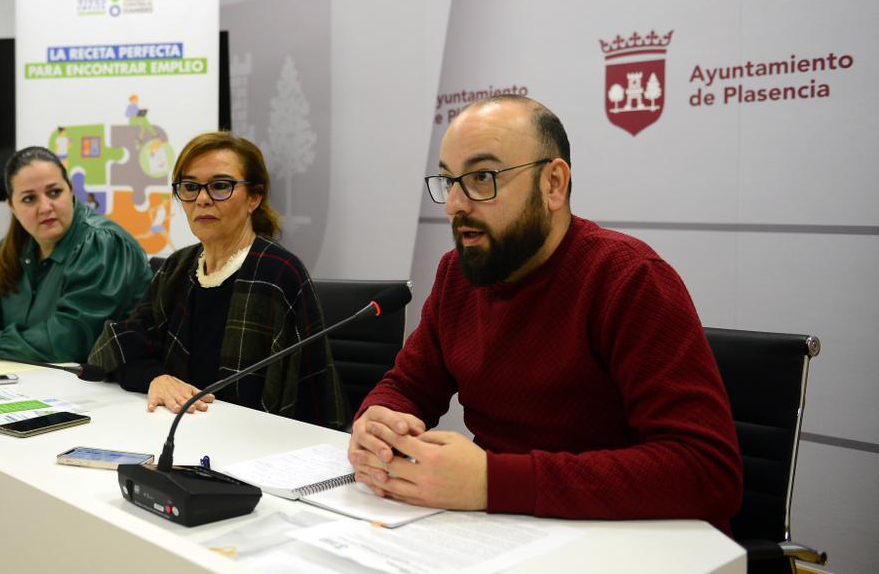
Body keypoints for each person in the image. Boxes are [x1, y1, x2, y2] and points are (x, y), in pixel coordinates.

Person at [348, 95, 743, 533]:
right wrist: (379, 422)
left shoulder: (629, 278)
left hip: (623, 541)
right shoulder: (457, 276)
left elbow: (707, 470)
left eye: (481, 178)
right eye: (448, 181)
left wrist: (490, 481)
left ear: (553, 184)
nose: (454, 204)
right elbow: (407, 385)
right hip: (506, 530)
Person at [87, 132, 348, 430]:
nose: (202, 199)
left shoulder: (278, 272)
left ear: (254, 197)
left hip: (252, 443)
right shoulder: (177, 267)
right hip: (177, 431)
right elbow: (121, 345)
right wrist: (156, 378)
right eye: (189, 187)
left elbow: (307, 398)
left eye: (220, 186)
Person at [0, 146, 152, 363]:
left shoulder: (102, 244)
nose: (45, 207)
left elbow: (70, 341)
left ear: (71, 191)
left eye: (55, 192)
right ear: (12, 207)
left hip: (115, 394)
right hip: (40, 386)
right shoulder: (12, 249)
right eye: (29, 199)